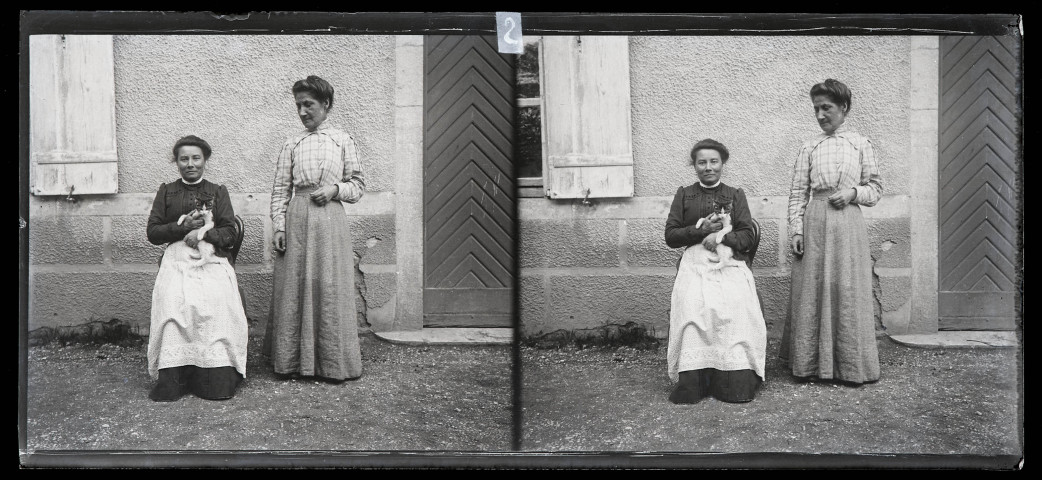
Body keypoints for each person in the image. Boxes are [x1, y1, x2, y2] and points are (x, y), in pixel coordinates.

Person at [783, 78, 882, 385]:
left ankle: (849, 367)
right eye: (816, 109)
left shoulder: (860, 144)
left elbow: (875, 188)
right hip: (815, 223)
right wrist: (796, 231)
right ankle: (810, 365)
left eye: (826, 107)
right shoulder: (809, 147)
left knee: (847, 291)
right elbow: (798, 194)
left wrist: (853, 193)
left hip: (847, 225)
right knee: (812, 290)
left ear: (844, 108)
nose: (821, 115)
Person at [268, 75, 365, 382]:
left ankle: (331, 363)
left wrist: (335, 190)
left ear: (325, 104)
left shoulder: (342, 140)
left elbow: (358, 185)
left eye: (308, 104)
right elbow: (280, 191)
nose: (302, 112)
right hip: (297, 218)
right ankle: (292, 362)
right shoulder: (292, 143)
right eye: (298, 105)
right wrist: (279, 227)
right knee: (294, 287)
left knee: (329, 287)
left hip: (329, 221)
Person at [664, 139, 767, 404]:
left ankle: (734, 378)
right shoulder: (684, 194)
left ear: (722, 164)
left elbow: (745, 236)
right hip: (695, 262)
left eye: (713, 162)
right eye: (702, 162)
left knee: (736, 304)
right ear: (694, 165)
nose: (708, 167)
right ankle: (694, 380)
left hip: (728, 261)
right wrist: (701, 231)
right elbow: (672, 236)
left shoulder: (735, 194)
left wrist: (722, 238)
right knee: (693, 304)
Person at [146, 135, 248, 401]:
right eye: (184, 159)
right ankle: (175, 378)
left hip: (210, 256)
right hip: (177, 257)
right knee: (173, 299)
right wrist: (182, 229)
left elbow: (229, 232)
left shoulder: (217, 191)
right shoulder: (166, 191)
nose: (190, 164)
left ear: (205, 161)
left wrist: (203, 235)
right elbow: (153, 232)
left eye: (195, 158)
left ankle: (216, 376)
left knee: (217, 299)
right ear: (176, 162)